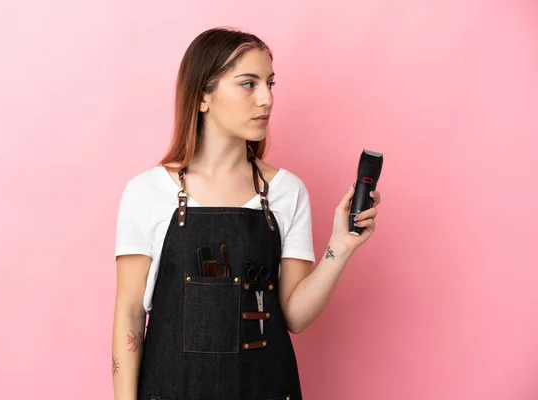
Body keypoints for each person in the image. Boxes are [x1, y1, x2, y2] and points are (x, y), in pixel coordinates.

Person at [111, 27, 381, 400]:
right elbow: (129, 313)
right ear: (203, 96)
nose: (266, 99)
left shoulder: (287, 192)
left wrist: (340, 247)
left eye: (270, 83)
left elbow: (296, 317)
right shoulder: (147, 192)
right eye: (248, 84)